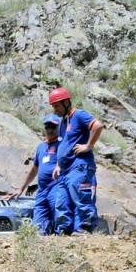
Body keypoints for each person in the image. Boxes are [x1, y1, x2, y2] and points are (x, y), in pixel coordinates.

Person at [49, 86, 104, 235]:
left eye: (57, 106)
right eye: (53, 107)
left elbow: (98, 126)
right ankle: (64, 230)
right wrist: (58, 164)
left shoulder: (79, 115)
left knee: (81, 197)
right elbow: (65, 145)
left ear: (66, 102)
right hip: (65, 170)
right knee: (61, 202)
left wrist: (88, 145)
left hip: (79, 166)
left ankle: (86, 227)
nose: (55, 110)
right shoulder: (64, 122)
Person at [9, 115, 61, 235]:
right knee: (38, 223)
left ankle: (61, 240)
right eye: (47, 127)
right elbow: (34, 169)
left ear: (58, 128)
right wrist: (21, 188)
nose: (50, 130)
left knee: (58, 215)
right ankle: (40, 241)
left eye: (53, 127)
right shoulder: (41, 147)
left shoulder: (62, 144)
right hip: (42, 190)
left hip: (56, 186)